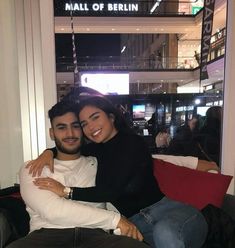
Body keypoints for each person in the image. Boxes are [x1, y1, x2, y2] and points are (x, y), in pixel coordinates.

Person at [28, 96, 217, 248]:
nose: (91, 127)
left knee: (165, 232)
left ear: (111, 117)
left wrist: (66, 191)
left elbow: (110, 191)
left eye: (95, 117)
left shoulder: (132, 143)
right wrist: (49, 152)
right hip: (137, 223)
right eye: (84, 123)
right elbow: (70, 146)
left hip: (171, 213)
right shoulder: (97, 150)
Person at [7, 100, 149, 248]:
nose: (70, 134)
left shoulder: (99, 161)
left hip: (96, 236)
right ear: (51, 133)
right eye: (61, 128)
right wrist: (115, 220)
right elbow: (53, 211)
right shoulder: (34, 167)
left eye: (76, 126)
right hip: (47, 236)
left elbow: (115, 189)